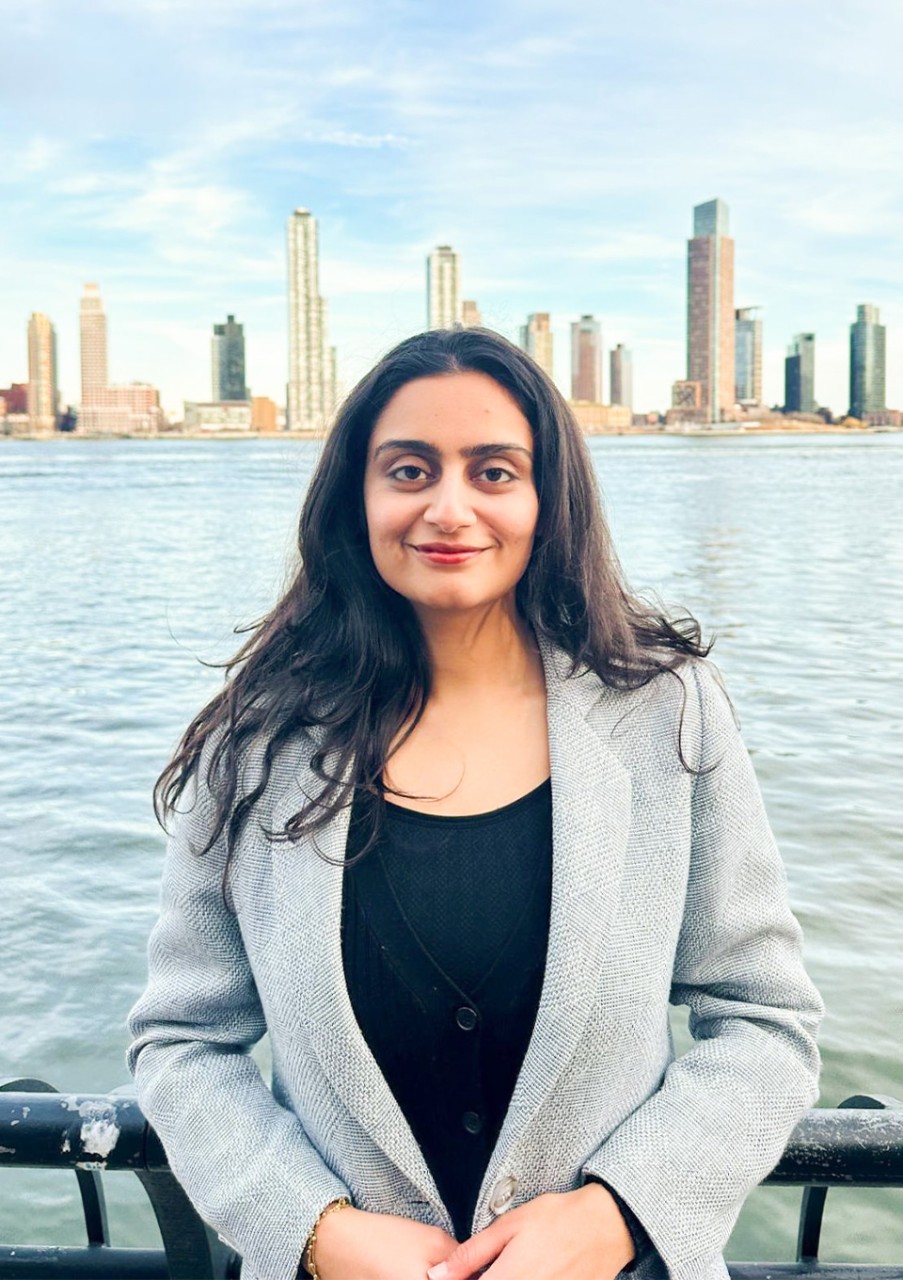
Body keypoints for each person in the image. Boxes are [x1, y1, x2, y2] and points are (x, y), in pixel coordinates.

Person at [128, 327, 823, 1280]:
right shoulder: (257, 740)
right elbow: (181, 1043)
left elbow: (764, 1020)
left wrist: (616, 1216)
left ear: (547, 500)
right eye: (408, 470)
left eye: (493, 471)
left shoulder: (665, 711)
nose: (448, 508)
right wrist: (318, 1231)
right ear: (356, 499)